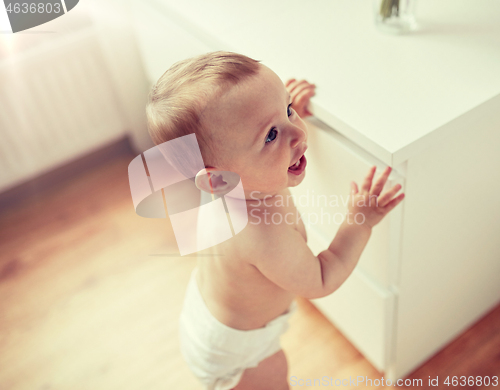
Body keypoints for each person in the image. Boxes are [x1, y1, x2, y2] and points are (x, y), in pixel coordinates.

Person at [146, 51, 405, 390]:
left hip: (209, 313)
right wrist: (359, 221)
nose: (298, 133)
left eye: (288, 110)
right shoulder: (260, 231)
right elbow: (322, 278)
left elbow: (244, 130)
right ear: (217, 179)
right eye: (270, 135)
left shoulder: (227, 178)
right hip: (238, 353)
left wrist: (278, 117)